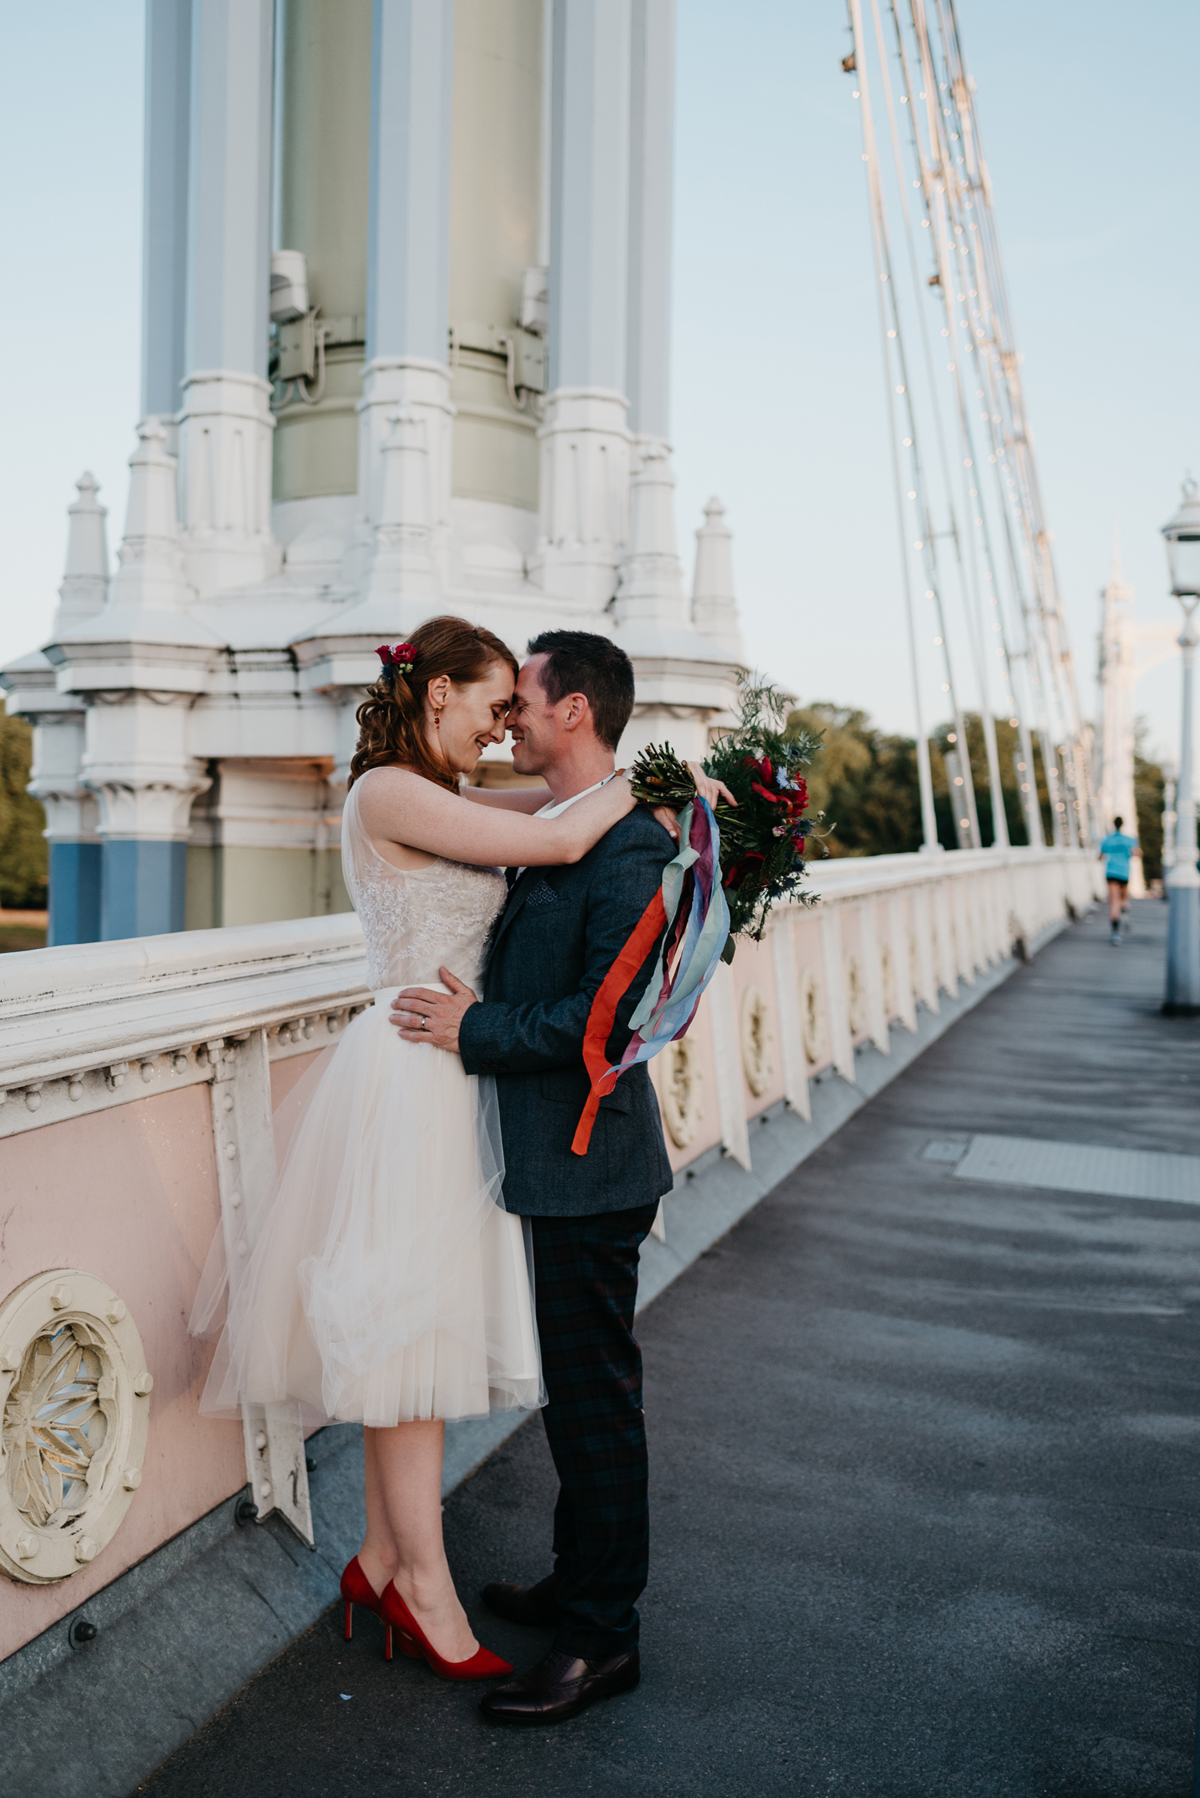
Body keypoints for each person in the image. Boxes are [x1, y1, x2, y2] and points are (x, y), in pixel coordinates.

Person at [190, 615, 704, 1684]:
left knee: (416, 1331)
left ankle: (389, 1561)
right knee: (405, 1331)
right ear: (436, 696)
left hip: (457, 1070)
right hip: (416, 1071)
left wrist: (663, 801)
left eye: (520, 702)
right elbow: (564, 834)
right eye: (490, 701)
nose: (502, 719)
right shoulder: (389, 791)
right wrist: (675, 784)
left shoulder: (453, 798)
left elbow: (566, 808)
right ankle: (416, 1586)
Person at [391, 630, 735, 1727]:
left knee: (596, 1404)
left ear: (574, 709)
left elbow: (605, 1016)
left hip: (591, 1167)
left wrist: (473, 1026)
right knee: (577, 1395)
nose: (511, 722)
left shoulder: (630, 850)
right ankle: (574, 1582)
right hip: (556, 1163)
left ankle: (603, 1637)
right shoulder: (562, 831)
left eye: (525, 701)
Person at [1097, 814, 1140, 944]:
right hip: (1124, 873)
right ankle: (1125, 910)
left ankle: (1115, 934)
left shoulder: (1107, 839)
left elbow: (1099, 856)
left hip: (1111, 872)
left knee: (1114, 902)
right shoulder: (1129, 839)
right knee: (1123, 897)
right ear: (1122, 824)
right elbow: (1137, 853)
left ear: (1113, 824)